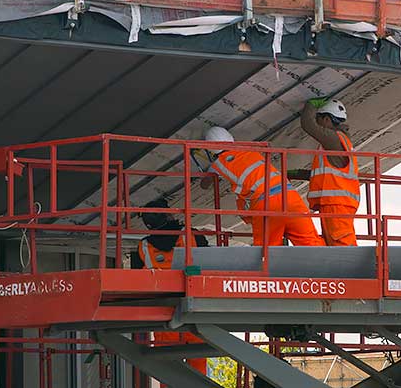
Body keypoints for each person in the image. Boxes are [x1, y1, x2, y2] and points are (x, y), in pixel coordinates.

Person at [199, 126, 324, 247]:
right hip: (290, 198)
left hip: (266, 204)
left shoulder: (219, 164)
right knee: (311, 242)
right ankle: (328, 261)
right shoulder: (250, 150)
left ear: (210, 149)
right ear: (231, 138)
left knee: (268, 250)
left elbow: (204, 184)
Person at [132, 199, 208, 381]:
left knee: (168, 368)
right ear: (168, 215)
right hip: (194, 309)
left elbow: (136, 280)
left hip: (164, 313)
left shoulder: (143, 246)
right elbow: (213, 263)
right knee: (198, 365)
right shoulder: (192, 236)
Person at [298, 98, 360, 246]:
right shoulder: (339, 141)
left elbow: (308, 124)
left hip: (335, 205)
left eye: (318, 119)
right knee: (335, 243)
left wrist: (311, 105)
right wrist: (296, 173)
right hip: (336, 204)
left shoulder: (333, 138)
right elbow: (326, 175)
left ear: (326, 119)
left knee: (341, 244)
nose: (318, 123)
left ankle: (354, 263)